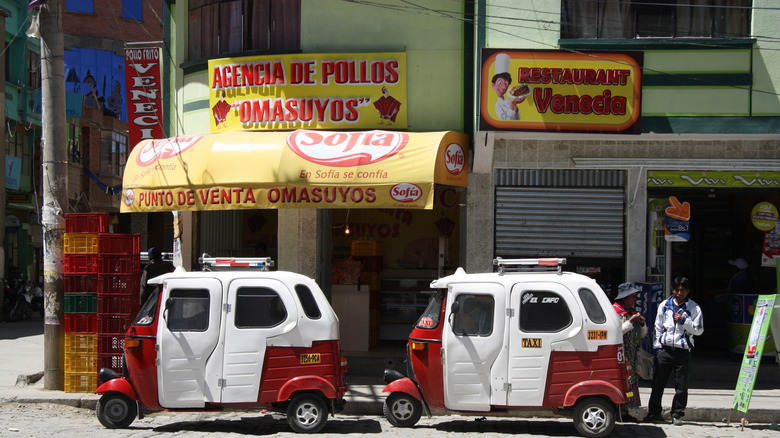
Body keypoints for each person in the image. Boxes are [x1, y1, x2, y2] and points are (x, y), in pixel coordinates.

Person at [643, 276, 704, 426]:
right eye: (676, 290)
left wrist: (684, 321)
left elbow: (699, 330)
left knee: (681, 386)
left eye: (682, 290)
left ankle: (677, 414)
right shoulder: (664, 305)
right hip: (664, 351)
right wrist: (657, 348)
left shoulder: (694, 308)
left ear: (688, 291)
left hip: (683, 351)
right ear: (672, 290)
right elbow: (657, 327)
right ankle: (654, 412)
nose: (679, 293)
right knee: (658, 384)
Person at [613, 282, 647, 422]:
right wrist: (630, 322)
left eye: (634, 296)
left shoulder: (632, 312)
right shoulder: (615, 312)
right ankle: (620, 411)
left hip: (632, 355)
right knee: (623, 382)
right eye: (631, 296)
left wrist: (642, 324)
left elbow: (642, 334)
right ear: (624, 298)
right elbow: (616, 332)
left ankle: (626, 411)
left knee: (630, 382)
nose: (634, 299)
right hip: (622, 354)